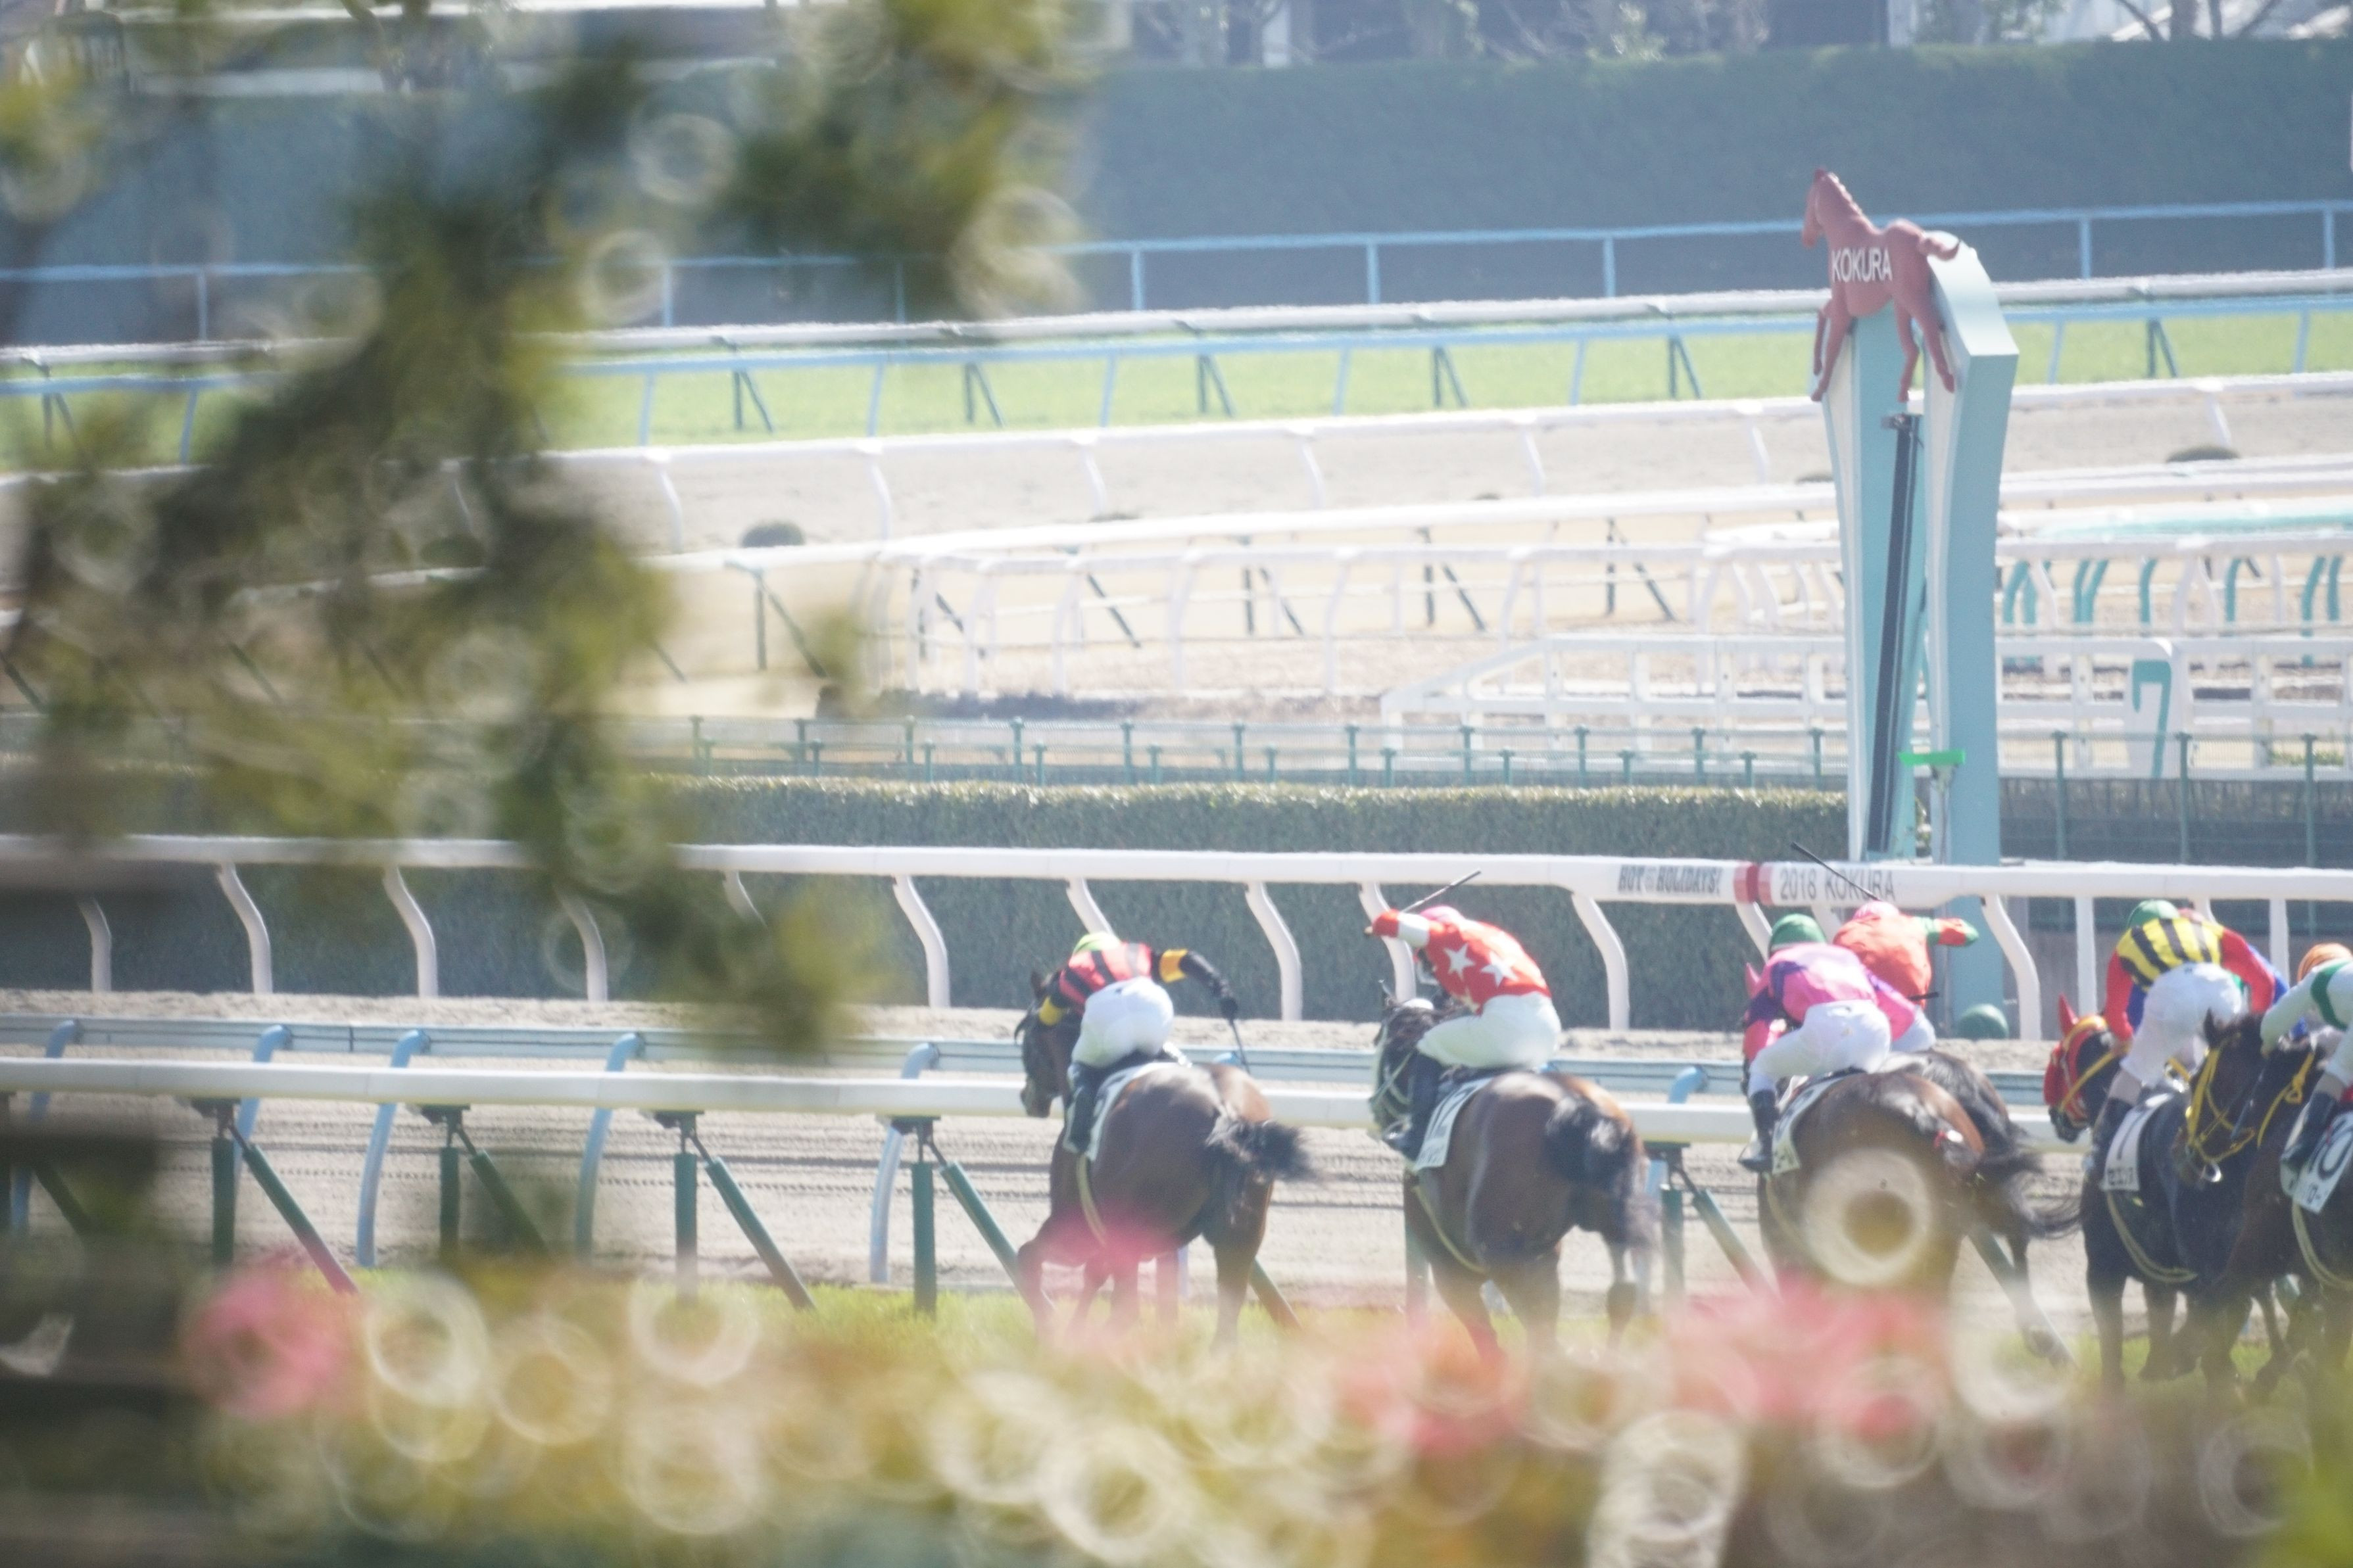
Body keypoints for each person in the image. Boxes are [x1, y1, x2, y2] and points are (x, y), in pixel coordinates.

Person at [2083, 901, 2275, 1181]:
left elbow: (2114, 1012)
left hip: (2171, 996)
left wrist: (2126, 1039)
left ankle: (2100, 1155)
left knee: (2133, 1074)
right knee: (2233, 1066)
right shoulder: (2209, 931)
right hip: (2220, 988)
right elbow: (2264, 980)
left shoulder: (2128, 944)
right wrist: (2251, 1035)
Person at [1737, 914, 1930, 1172]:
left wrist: (1757, 1058)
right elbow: (1901, 1010)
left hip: (1824, 1029)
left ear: (1773, 950)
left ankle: (1767, 1147)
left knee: (1762, 1068)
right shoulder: (1845, 959)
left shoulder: (1777, 965)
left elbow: (1759, 1027)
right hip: (1875, 1028)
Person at [1366, 903, 1559, 1158]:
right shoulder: (1494, 936)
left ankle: (1416, 1136)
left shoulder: (1445, 933)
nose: (1430, 966)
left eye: (1425, 958)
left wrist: (1379, 923)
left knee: (1430, 1043)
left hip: (1508, 1027)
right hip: (1548, 1029)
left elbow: (1398, 924)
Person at [1035, 933, 1238, 1156]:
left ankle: (1080, 1124)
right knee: (1159, 1046)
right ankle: (1190, 1072)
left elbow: (1046, 1020)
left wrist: (1041, 1024)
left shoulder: (1071, 973)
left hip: (1106, 1018)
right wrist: (1220, 988)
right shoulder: (1136, 953)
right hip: (1153, 1004)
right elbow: (1187, 960)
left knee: (1079, 1067)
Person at [2260, 942, 2353, 1178]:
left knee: (2336, 1074)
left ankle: (2303, 1148)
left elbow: (2272, 1023)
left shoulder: (2315, 978)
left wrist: (2268, 1044)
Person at [1833, 899, 1978, 1007]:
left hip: (1862, 1006)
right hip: (1910, 1004)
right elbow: (1970, 934)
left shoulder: (1845, 932)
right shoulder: (1915, 924)